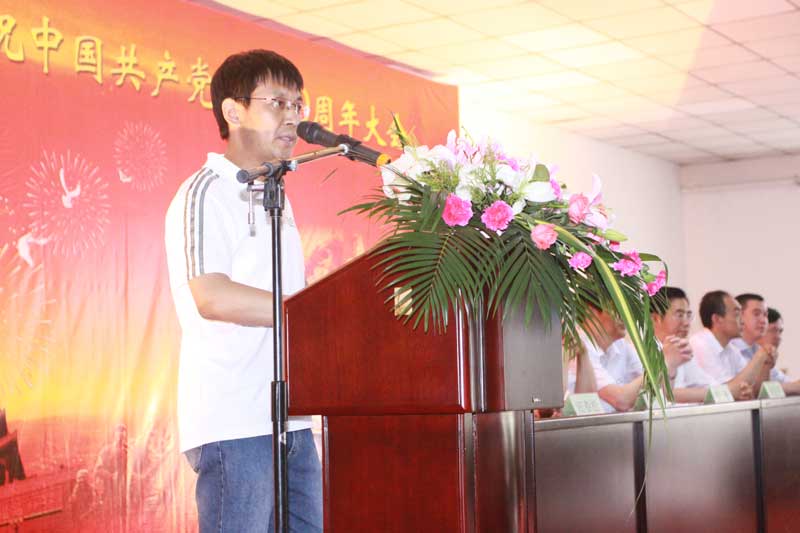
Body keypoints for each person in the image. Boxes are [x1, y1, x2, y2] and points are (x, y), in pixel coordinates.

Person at [164, 50, 322, 532]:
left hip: (293, 418)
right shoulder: (206, 191)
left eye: (297, 104)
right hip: (234, 421)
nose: (293, 117)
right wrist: (308, 312)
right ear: (233, 112)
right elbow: (212, 296)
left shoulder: (277, 197)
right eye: (278, 103)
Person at [651, 287, 752, 404]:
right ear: (656, 318)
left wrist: (736, 390)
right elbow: (664, 394)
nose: (686, 322)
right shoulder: (643, 350)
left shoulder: (681, 348)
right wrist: (729, 391)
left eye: (688, 315)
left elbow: (706, 384)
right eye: (679, 315)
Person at [689, 290, 774, 398]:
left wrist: (766, 365)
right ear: (717, 319)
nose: (742, 321)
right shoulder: (699, 344)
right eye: (737, 314)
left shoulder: (731, 349)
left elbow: (752, 390)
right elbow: (724, 392)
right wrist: (758, 358)